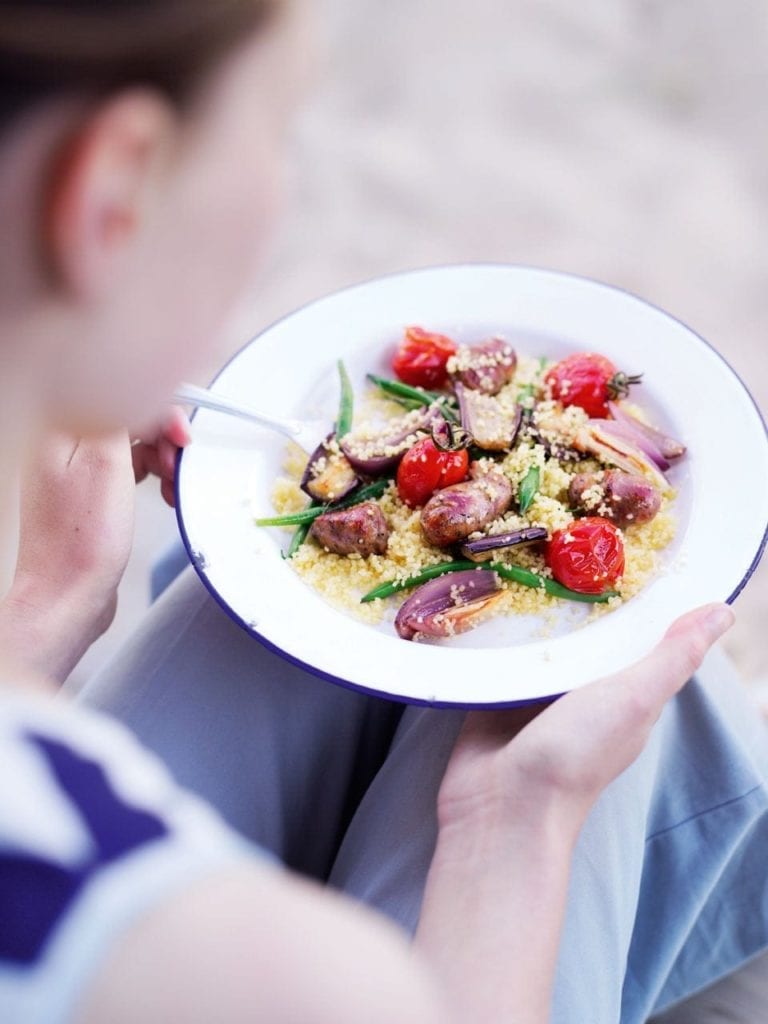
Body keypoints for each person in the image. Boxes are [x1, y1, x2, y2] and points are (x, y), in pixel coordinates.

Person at [0, 2, 766, 1022]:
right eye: (275, 131)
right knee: (664, 702)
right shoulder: (278, 984)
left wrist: (44, 615)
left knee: (257, 622)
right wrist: (516, 823)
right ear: (113, 190)